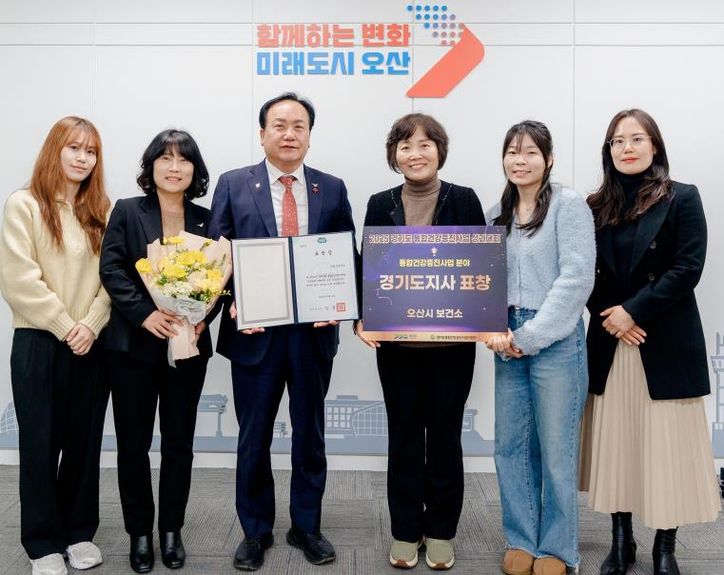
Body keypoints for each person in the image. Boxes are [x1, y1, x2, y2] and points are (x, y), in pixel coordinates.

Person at [208, 92, 356, 571]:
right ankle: (255, 530)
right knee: (253, 437)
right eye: (280, 125)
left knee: (310, 435)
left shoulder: (332, 188)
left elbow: (346, 254)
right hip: (255, 335)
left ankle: (306, 526)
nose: (289, 134)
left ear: (309, 136)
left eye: (299, 126)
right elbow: (215, 258)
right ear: (262, 133)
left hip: (312, 335)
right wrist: (231, 302)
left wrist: (341, 304)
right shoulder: (234, 184)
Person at [580, 109, 721, 575]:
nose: (627, 148)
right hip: (612, 341)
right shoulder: (594, 205)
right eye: (617, 141)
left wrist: (634, 311)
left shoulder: (682, 196)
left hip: (662, 341)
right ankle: (621, 541)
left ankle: (665, 546)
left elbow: (688, 267)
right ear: (608, 150)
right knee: (618, 444)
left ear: (654, 145)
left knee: (666, 449)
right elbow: (582, 272)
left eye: (636, 138)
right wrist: (613, 318)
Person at [355, 113, 484, 570]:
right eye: (405, 146)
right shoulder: (380, 203)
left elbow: (482, 267)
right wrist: (362, 319)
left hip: (453, 348)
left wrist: (487, 317)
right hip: (397, 350)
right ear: (394, 155)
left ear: (439, 151)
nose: (415, 154)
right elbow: (368, 267)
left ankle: (442, 530)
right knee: (405, 438)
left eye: (425, 144)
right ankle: (406, 530)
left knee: (446, 438)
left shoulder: (464, 199)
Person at [100, 129, 215, 573]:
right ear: (151, 167)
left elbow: (220, 278)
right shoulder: (128, 211)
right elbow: (112, 268)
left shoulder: (207, 219)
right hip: (133, 348)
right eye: (165, 158)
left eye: (183, 159)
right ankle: (140, 534)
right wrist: (144, 314)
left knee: (179, 445)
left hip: (187, 349)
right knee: (133, 445)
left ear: (194, 169)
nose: (174, 167)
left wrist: (205, 316)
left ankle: (171, 530)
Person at [0, 116, 110, 575]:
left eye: (91, 151)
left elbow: (113, 278)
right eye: (74, 148)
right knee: (40, 444)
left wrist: (91, 325)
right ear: (55, 150)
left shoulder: (100, 210)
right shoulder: (23, 205)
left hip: (91, 341)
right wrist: (67, 326)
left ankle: (79, 533)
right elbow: (18, 280)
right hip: (39, 341)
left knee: (84, 443)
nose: (83, 158)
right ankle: (42, 542)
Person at [485, 121, 595, 575]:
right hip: (506, 337)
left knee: (556, 450)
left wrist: (528, 336)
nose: (520, 160)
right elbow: (483, 279)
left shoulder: (568, 206)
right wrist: (494, 328)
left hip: (555, 339)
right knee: (511, 447)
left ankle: (559, 549)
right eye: (512, 152)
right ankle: (521, 540)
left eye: (530, 152)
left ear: (548, 159)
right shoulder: (497, 213)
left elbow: (576, 279)